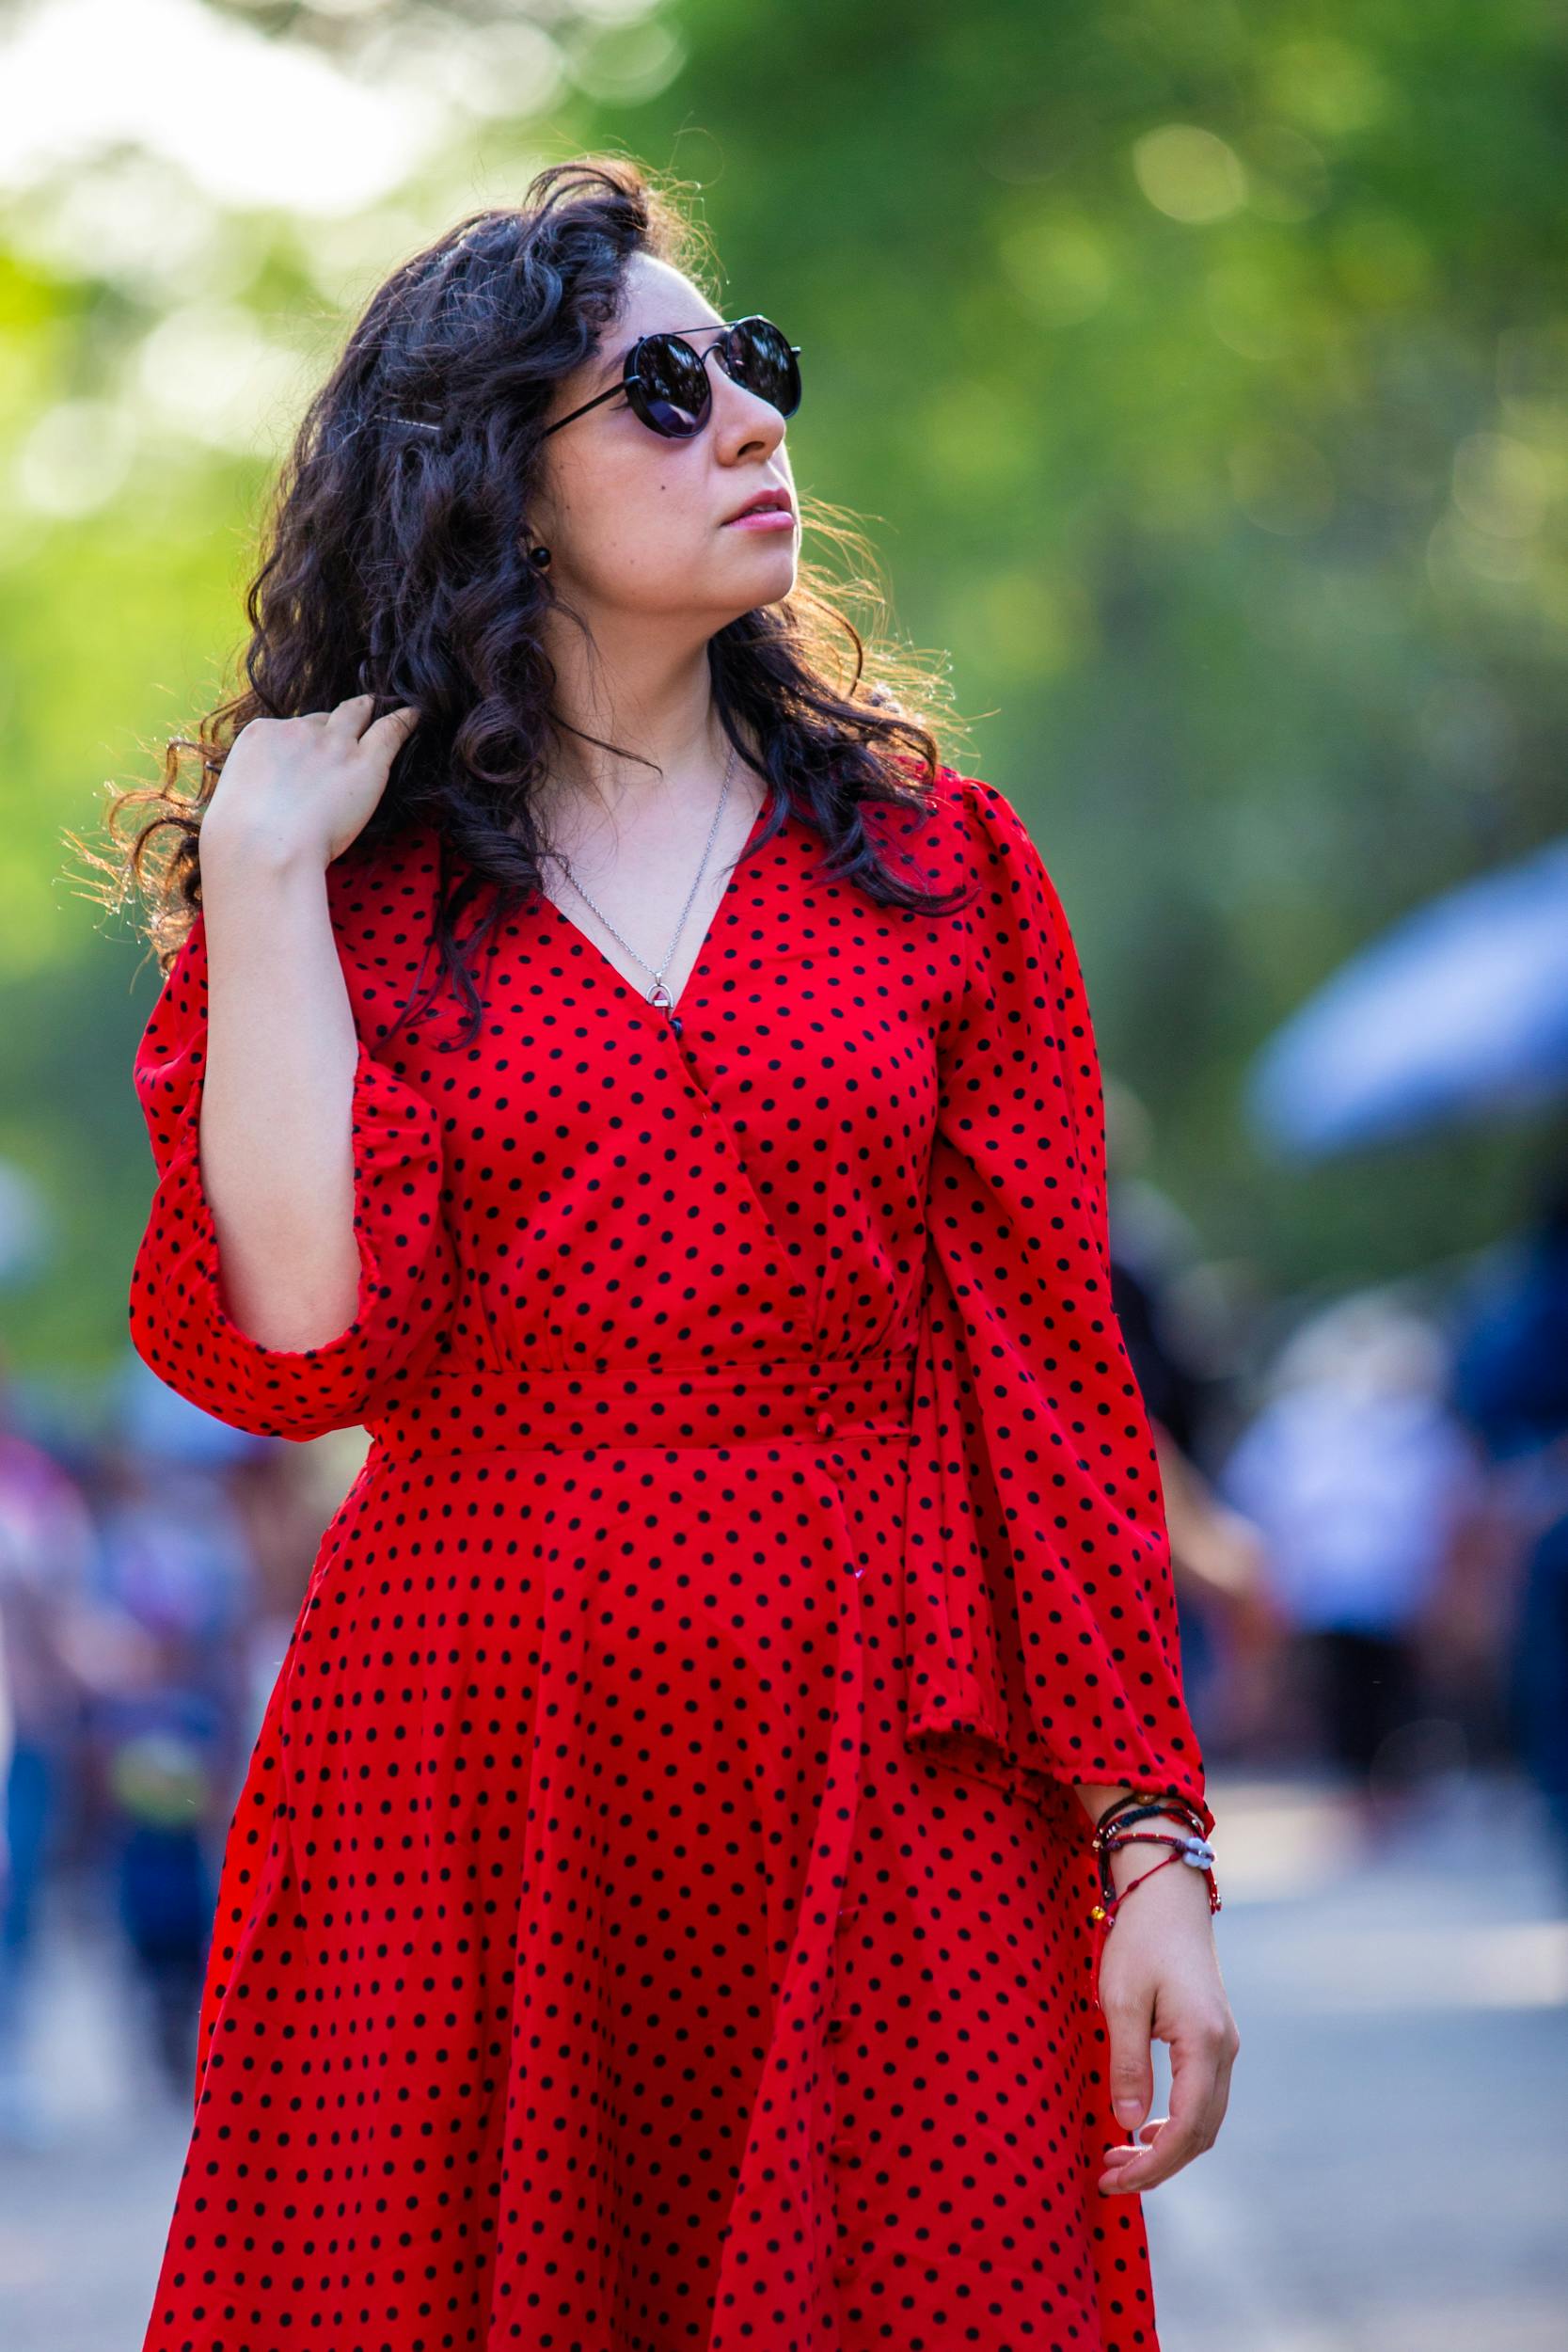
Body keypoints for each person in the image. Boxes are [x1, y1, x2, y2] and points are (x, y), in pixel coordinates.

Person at [97, 156, 1236, 2352]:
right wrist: (259, 886)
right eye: (666, 390)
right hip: (468, 1781)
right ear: (494, 485)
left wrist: (1155, 1847)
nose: (752, 424)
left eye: (760, 373)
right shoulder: (360, 903)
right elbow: (305, 1339)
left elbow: (1057, 1390)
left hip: (889, 1761)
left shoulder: (941, 867)